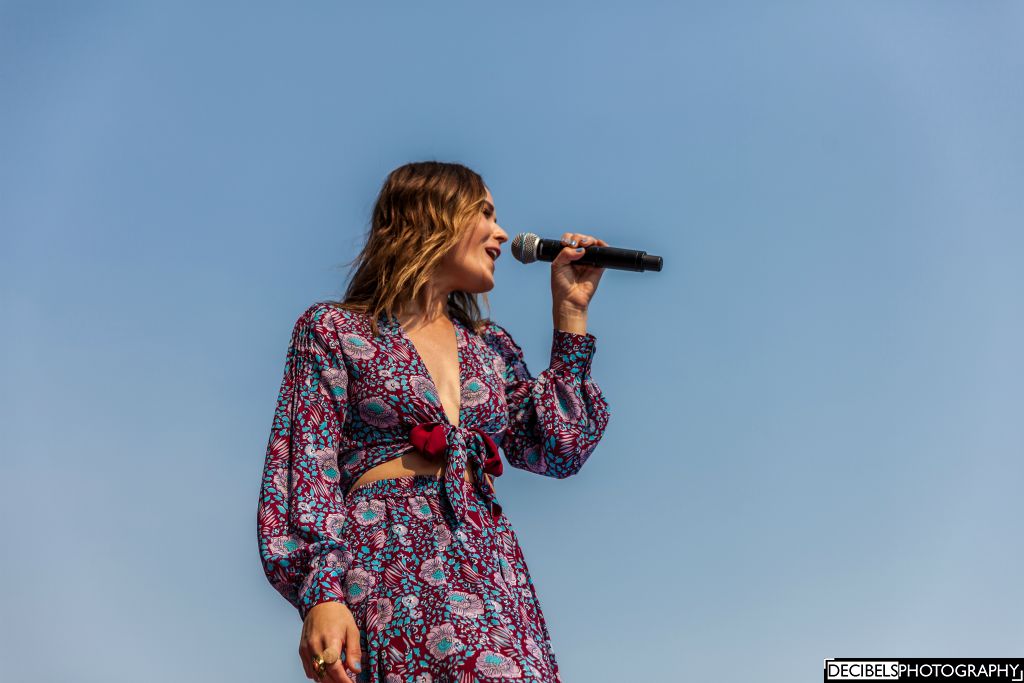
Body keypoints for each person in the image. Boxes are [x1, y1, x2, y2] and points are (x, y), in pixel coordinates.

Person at [256, 161, 612, 683]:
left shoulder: (490, 346)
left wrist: (571, 313)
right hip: (388, 563)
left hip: (490, 568)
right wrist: (323, 594)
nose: (501, 233)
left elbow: (559, 448)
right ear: (432, 216)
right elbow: (305, 468)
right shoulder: (334, 329)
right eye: (484, 213)